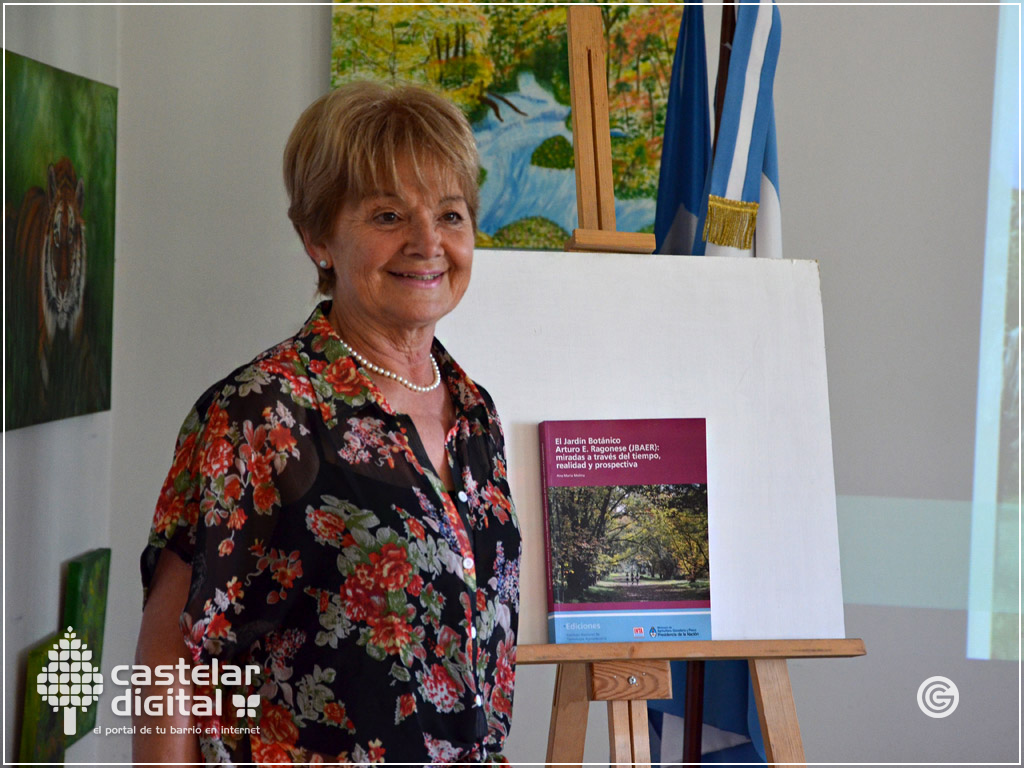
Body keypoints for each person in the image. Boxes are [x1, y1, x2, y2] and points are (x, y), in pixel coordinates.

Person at [135, 81, 521, 764]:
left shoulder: (475, 413)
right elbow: (173, 654)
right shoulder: (262, 411)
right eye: (388, 216)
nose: (428, 242)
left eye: (451, 215)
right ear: (318, 238)